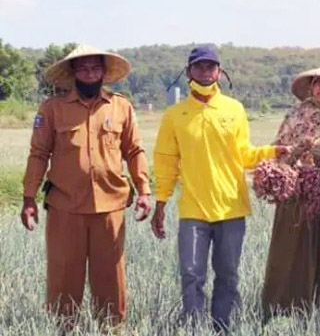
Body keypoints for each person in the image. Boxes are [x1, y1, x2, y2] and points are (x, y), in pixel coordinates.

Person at [150, 45, 290, 331]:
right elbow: (166, 162)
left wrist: (276, 152)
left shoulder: (234, 109)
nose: (205, 71)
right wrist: (161, 203)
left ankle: (223, 327)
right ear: (189, 71)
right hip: (193, 210)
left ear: (219, 71)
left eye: (210, 66)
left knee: (228, 275)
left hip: (231, 208)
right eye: (199, 66)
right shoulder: (175, 115)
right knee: (191, 274)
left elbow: (244, 154)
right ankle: (194, 327)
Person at [20, 44, 152, 326]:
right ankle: (63, 329)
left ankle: (112, 330)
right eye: (83, 68)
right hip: (65, 207)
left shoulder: (121, 107)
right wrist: (29, 198)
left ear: (104, 72)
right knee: (64, 276)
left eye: (95, 68)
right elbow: (39, 154)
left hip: (110, 207)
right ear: (73, 73)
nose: (89, 74)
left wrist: (144, 191)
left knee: (110, 277)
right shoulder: (53, 109)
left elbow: (134, 152)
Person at [262, 66, 320, 316]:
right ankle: (285, 312)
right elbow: (278, 152)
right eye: (319, 84)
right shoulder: (294, 116)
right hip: (297, 197)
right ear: (311, 87)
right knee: (291, 255)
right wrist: (297, 156)